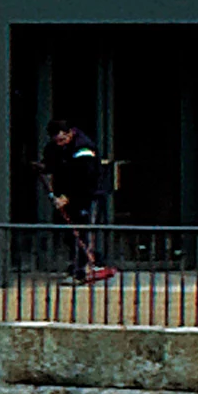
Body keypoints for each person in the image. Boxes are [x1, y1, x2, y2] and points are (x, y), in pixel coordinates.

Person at [42, 118, 117, 283]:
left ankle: (83, 270)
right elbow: (52, 165)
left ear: (70, 133)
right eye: (57, 140)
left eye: (63, 139)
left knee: (84, 231)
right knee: (71, 233)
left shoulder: (83, 149)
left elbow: (86, 180)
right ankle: (84, 264)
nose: (60, 143)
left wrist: (67, 198)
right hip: (68, 195)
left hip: (89, 196)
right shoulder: (56, 148)